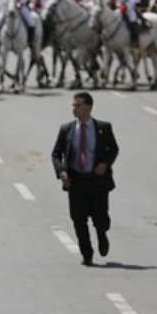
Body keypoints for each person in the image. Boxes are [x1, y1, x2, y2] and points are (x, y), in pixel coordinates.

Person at [51, 92, 119, 266]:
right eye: (73, 105)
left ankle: (102, 234)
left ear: (88, 107)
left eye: (78, 105)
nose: (74, 108)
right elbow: (56, 154)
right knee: (78, 219)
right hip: (76, 180)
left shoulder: (103, 128)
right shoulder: (67, 129)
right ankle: (87, 253)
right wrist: (62, 172)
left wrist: (105, 164)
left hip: (97, 180)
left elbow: (113, 149)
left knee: (100, 218)